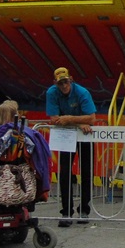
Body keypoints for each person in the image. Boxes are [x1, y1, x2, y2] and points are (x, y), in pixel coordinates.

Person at [46, 66, 96, 228]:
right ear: (55, 83)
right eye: (60, 83)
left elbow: (92, 118)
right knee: (65, 173)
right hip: (66, 135)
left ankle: (84, 210)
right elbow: (55, 119)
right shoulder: (51, 93)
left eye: (66, 82)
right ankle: (66, 211)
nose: (64, 86)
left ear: (71, 80)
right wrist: (79, 123)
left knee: (86, 172)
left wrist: (69, 119)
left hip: (85, 135)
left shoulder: (82, 92)